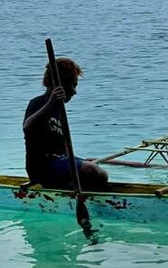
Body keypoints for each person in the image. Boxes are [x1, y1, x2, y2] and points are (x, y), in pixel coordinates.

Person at [22, 57, 109, 190]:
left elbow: (65, 148)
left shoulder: (60, 111)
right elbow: (27, 126)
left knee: (98, 173)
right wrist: (50, 103)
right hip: (43, 168)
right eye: (73, 85)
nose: (74, 92)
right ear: (60, 85)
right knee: (95, 172)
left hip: (60, 163)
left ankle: (73, 192)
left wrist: (79, 162)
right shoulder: (39, 103)